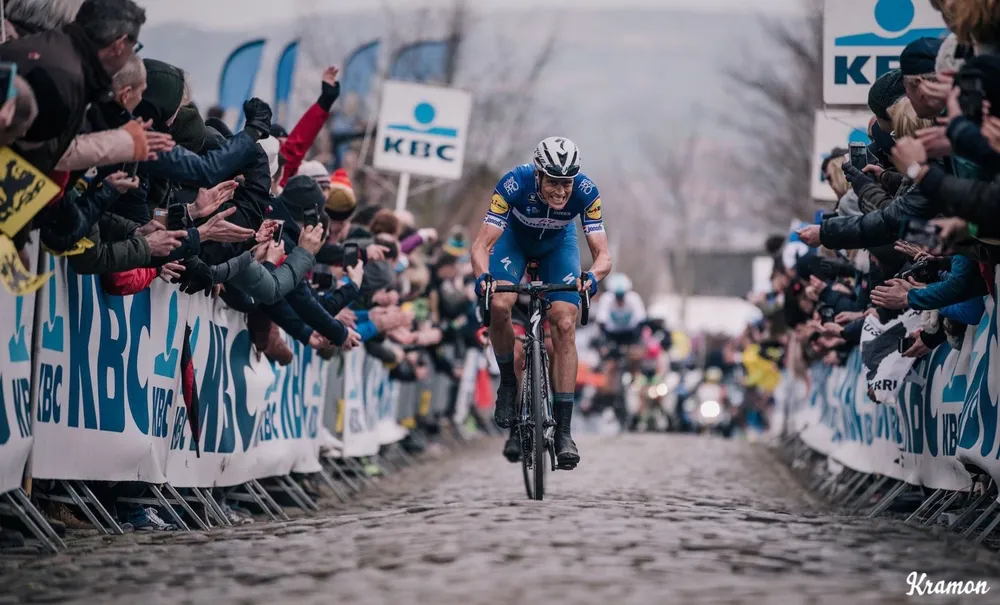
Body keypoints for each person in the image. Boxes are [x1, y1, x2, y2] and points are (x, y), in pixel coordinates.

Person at [471, 137, 612, 470]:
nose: (561, 192)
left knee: (564, 324)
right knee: (501, 304)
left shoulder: (587, 192)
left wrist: (592, 277)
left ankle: (563, 431)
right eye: (553, 182)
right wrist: (482, 277)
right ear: (538, 175)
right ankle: (508, 382)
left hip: (557, 248)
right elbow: (480, 245)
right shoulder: (513, 183)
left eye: (567, 183)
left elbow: (603, 254)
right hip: (513, 242)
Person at [593, 273, 647, 354]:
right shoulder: (606, 298)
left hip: (631, 333)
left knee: (636, 354)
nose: (620, 299)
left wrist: (637, 339)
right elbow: (601, 321)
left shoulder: (634, 298)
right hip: (611, 334)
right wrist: (605, 341)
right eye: (617, 296)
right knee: (607, 355)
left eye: (622, 295)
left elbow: (641, 319)